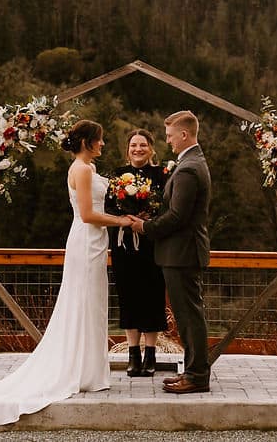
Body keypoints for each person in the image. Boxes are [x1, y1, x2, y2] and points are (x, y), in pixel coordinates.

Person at [0, 120, 134, 425]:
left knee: (93, 304)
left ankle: (90, 370)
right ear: (87, 141)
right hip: (86, 241)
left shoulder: (89, 169)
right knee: (84, 302)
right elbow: (86, 215)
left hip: (95, 243)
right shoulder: (82, 170)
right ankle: (80, 370)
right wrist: (122, 221)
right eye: (100, 140)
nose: (104, 144)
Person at [130, 110, 212, 394]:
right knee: (187, 315)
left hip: (183, 253)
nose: (168, 141)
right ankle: (192, 372)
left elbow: (178, 216)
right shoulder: (190, 162)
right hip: (181, 253)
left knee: (189, 316)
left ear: (184, 135)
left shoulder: (189, 168)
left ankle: (197, 376)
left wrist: (145, 227)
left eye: (169, 136)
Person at [104, 129, 168, 377]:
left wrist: (147, 220)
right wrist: (126, 218)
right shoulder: (118, 175)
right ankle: (132, 354)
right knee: (128, 295)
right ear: (127, 149)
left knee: (152, 295)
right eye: (133, 145)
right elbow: (109, 206)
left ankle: (151, 354)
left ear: (151, 148)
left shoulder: (162, 174)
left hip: (151, 244)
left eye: (143, 145)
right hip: (124, 245)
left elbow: (165, 204)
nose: (138, 149)